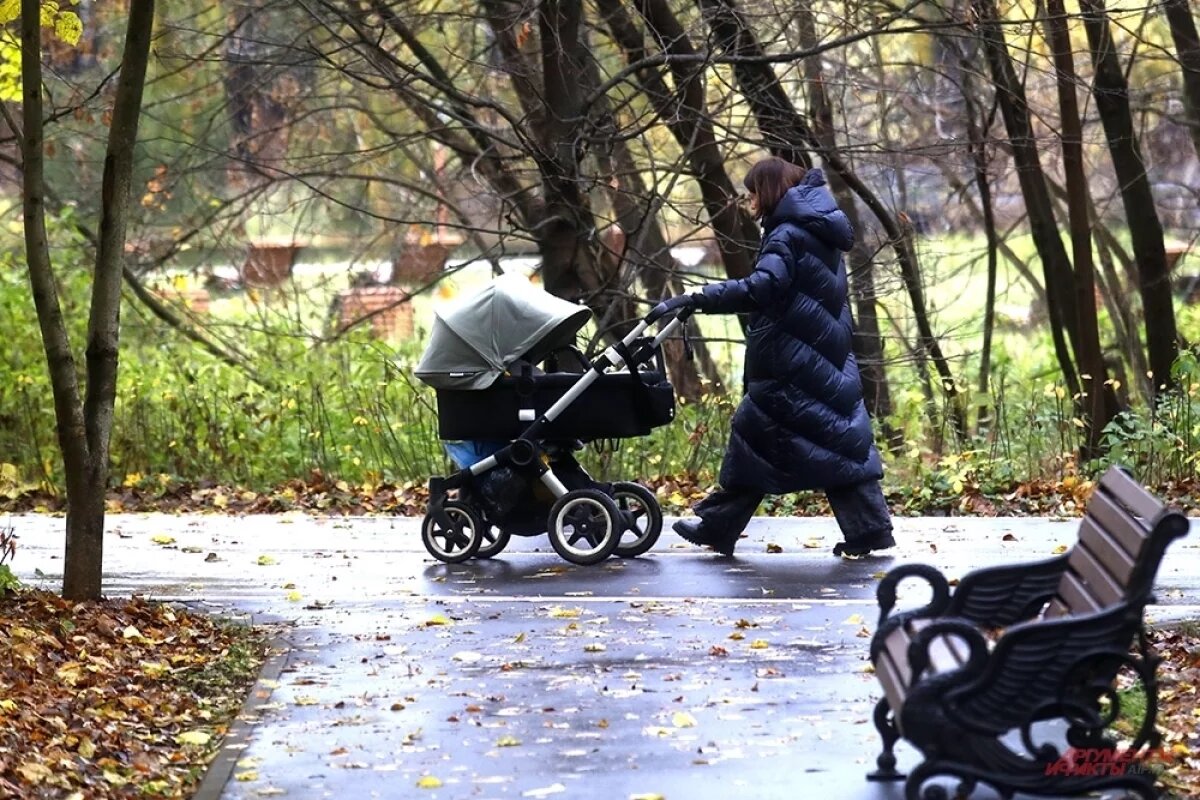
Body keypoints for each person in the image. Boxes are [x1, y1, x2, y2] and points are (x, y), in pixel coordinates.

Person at [648, 157, 894, 557]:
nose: (750, 203)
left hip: (791, 361)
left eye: (752, 193)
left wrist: (699, 297)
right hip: (822, 354)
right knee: (837, 439)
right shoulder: (819, 228)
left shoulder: (786, 233)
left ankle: (718, 525)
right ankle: (868, 529)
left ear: (769, 191)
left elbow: (763, 288)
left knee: (757, 437)